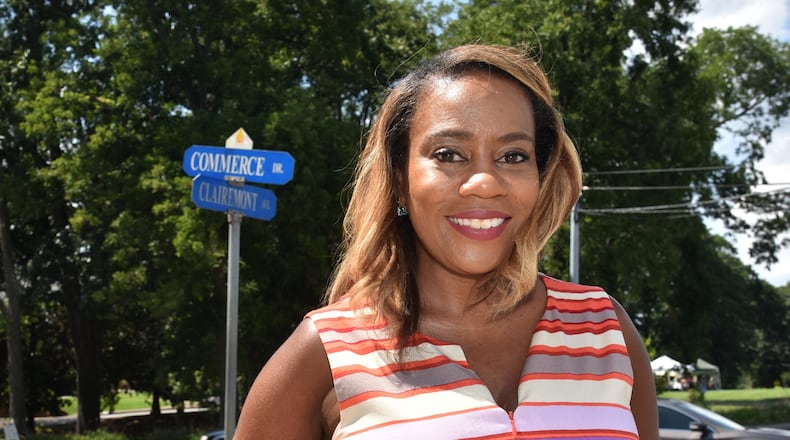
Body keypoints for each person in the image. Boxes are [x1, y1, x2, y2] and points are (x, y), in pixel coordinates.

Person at [235, 44, 658, 440]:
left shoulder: (606, 329)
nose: (485, 183)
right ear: (399, 178)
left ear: (539, 177)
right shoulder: (324, 352)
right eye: (448, 154)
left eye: (513, 156)